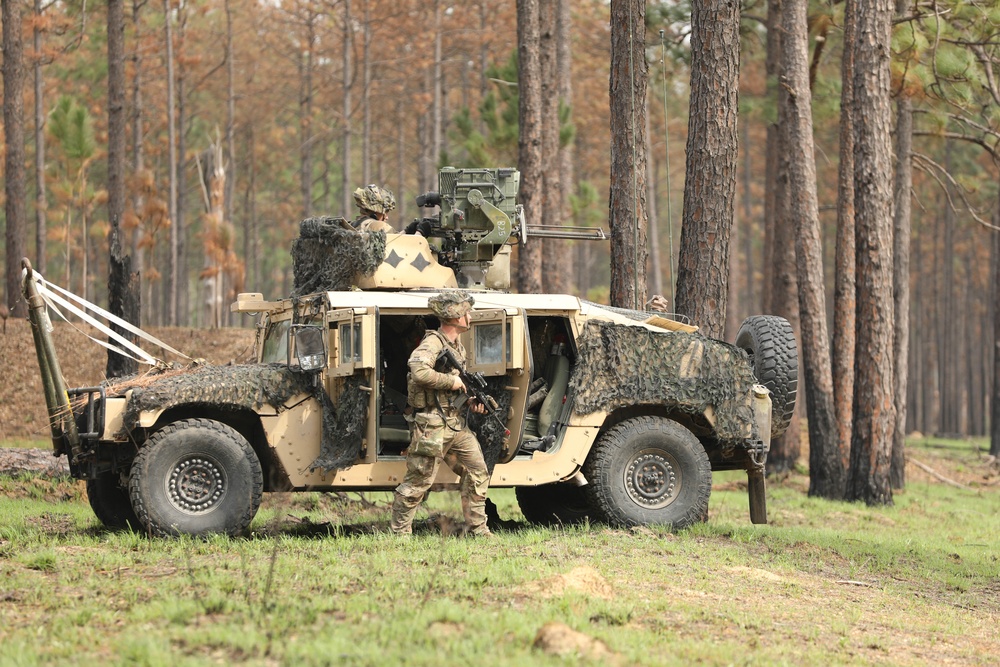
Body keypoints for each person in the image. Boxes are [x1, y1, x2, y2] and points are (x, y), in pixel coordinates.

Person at [390, 290, 493, 537]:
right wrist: (451, 381)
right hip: (432, 424)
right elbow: (418, 371)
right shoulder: (433, 342)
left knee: (478, 471)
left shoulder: (457, 346)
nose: (470, 316)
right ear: (455, 315)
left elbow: (455, 389)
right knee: (419, 480)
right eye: (466, 312)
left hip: (454, 422)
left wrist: (471, 401)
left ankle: (478, 529)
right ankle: (400, 532)